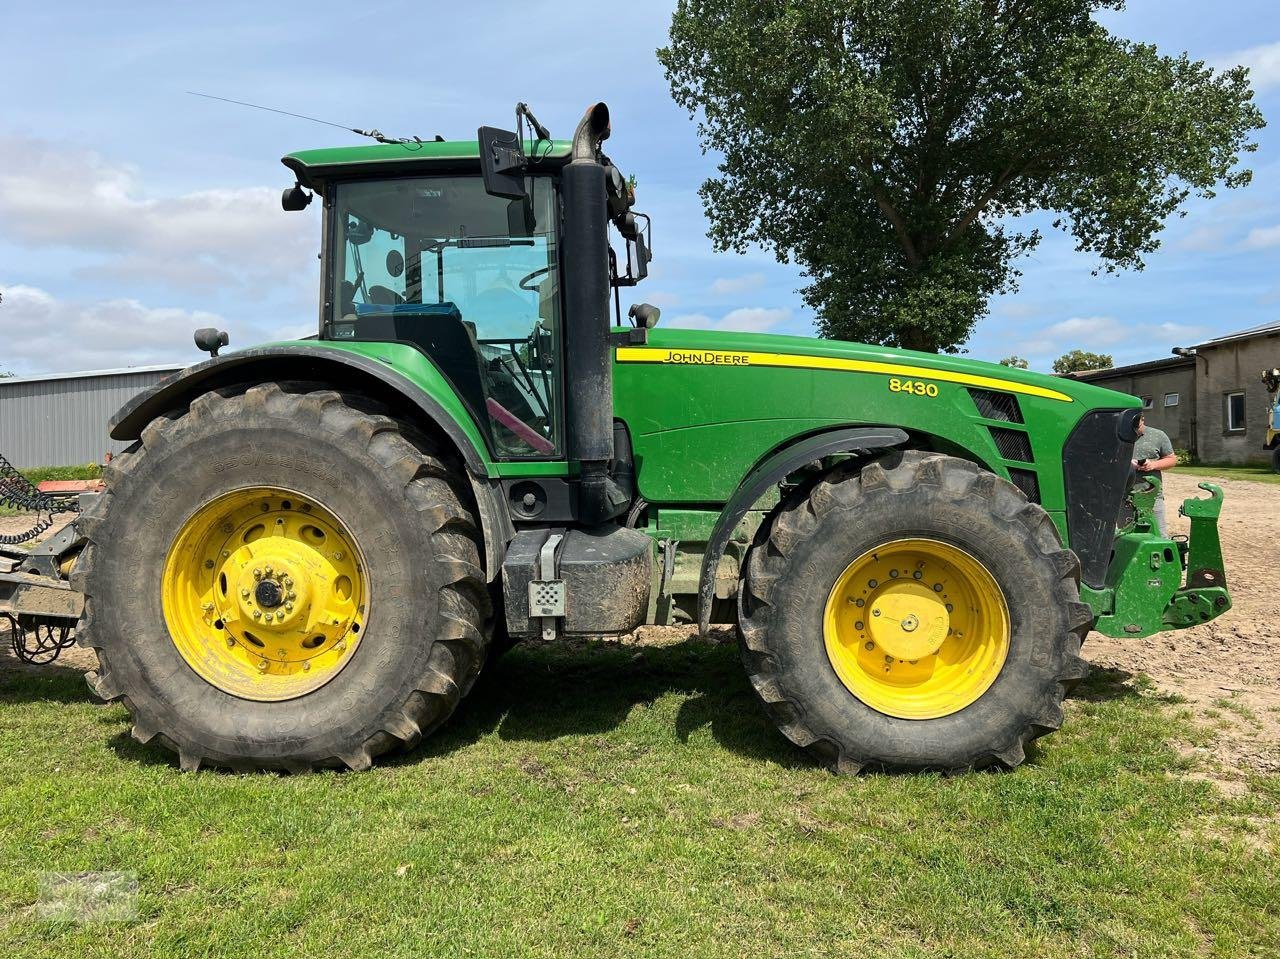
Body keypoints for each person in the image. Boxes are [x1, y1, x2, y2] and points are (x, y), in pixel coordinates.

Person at [1132, 413, 1177, 535]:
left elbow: (1172, 460)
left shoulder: (1158, 435)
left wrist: (1152, 464)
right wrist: (1128, 464)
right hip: (1124, 497)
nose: (1135, 430)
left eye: (1137, 425)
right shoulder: (1118, 435)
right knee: (1126, 537)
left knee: (1159, 536)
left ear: (1143, 419)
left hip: (1152, 496)